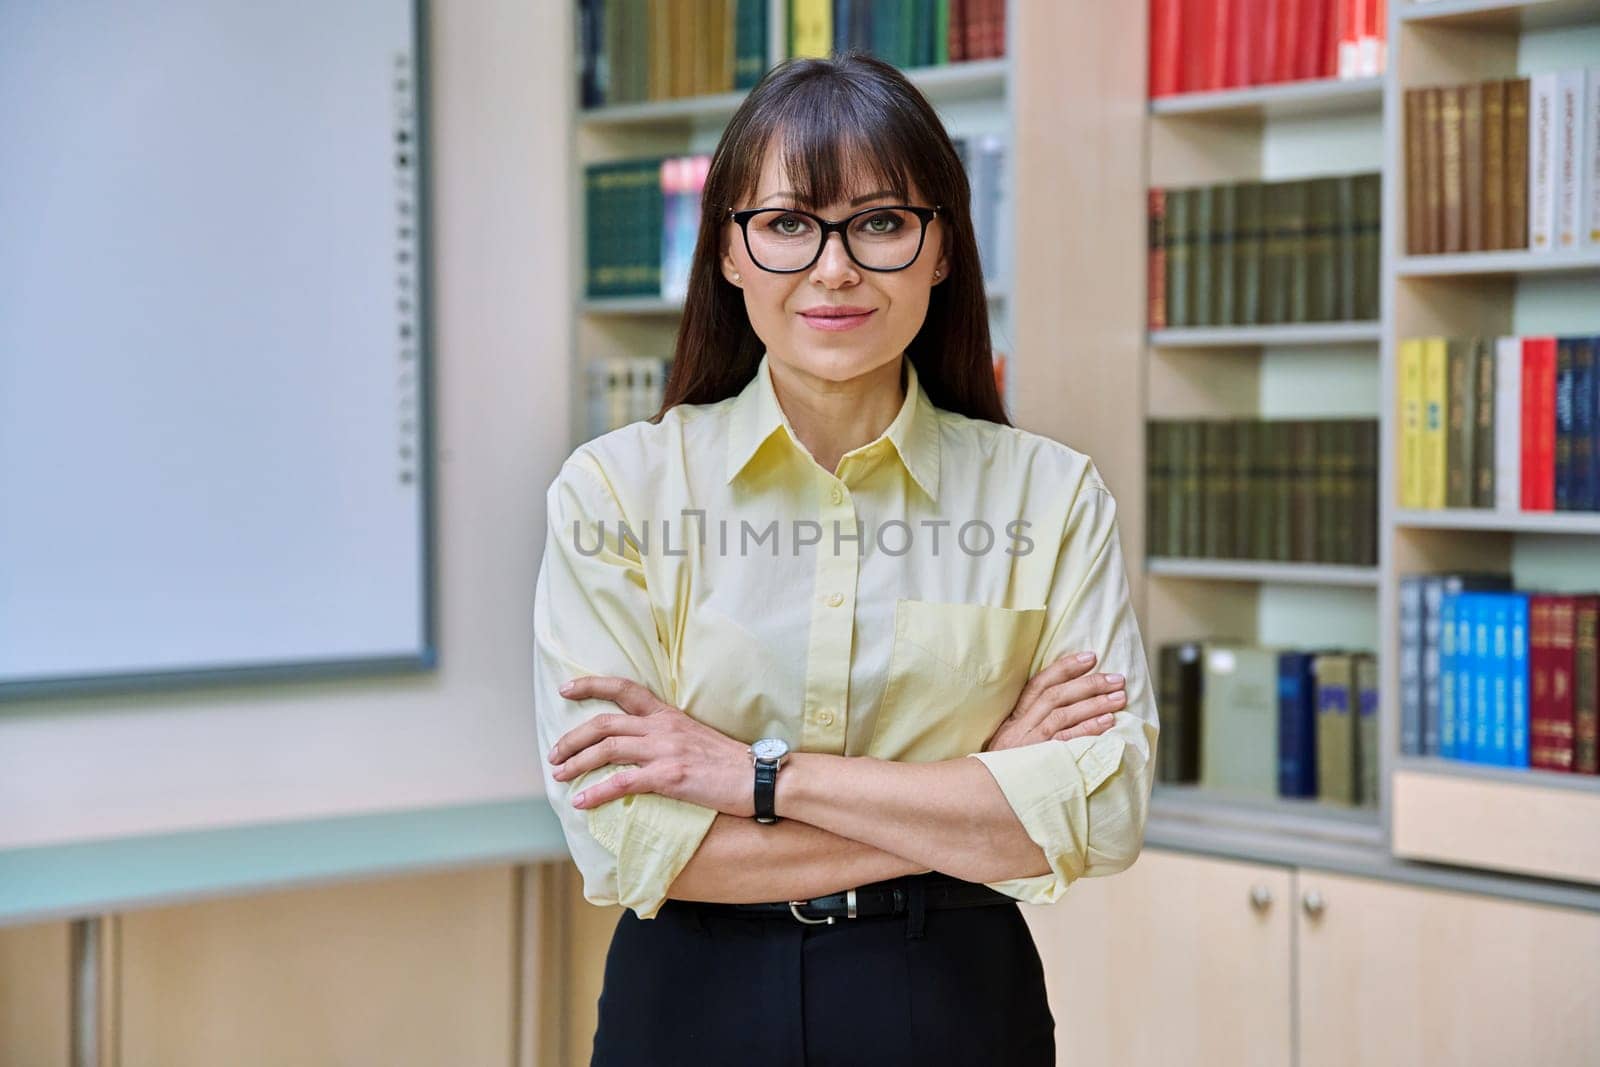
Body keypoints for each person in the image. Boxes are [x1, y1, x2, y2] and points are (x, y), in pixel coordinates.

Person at [534, 50, 1158, 1066]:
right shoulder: (616, 494)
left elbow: (1106, 808)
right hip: (691, 1000)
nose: (833, 268)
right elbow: (625, 843)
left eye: (878, 222)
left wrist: (750, 775)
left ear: (942, 247)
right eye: (786, 224)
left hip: (954, 998)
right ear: (728, 252)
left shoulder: (1048, 497)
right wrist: (981, 788)